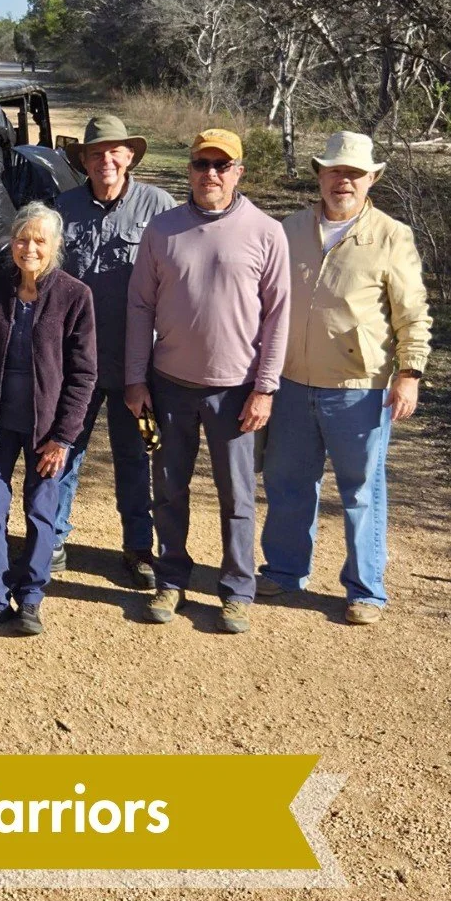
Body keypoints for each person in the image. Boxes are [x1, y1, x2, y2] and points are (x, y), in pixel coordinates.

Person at [258, 132, 431, 624]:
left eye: (354, 174)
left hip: (360, 388)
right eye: (335, 171)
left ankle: (365, 590)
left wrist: (410, 373)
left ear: (372, 178)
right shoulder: (288, 229)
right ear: (319, 175)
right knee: (289, 482)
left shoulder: (392, 235)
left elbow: (412, 314)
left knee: (361, 491)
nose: (343, 182)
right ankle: (286, 571)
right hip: (291, 382)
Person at [125, 129, 290, 634]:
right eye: (202, 164)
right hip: (170, 382)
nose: (210, 174)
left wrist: (265, 388)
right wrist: (135, 378)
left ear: (239, 171)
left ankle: (237, 587)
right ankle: (171, 577)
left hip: (236, 390)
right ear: (190, 169)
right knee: (169, 488)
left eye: (222, 165)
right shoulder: (163, 229)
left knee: (237, 496)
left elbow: (278, 316)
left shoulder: (266, 232)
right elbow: (139, 305)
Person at [0, 204, 97, 636]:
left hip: (47, 431)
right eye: (23, 239)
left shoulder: (75, 295)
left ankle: (32, 598)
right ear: (11, 243)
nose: (30, 248)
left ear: (55, 247)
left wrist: (64, 436)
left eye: (40, 240)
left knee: (41, 511)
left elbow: (83, 373)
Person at [54, 114, 176, 588]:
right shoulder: (63, 208)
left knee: (134, 453)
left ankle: (138, 546)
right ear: (83, 160)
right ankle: (53, 539)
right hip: (74, 360)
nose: (106, 160)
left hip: (136, 364)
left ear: (129, 157)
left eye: (115, 152)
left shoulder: (158, 207)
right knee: (64, 448)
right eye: (96, 153)